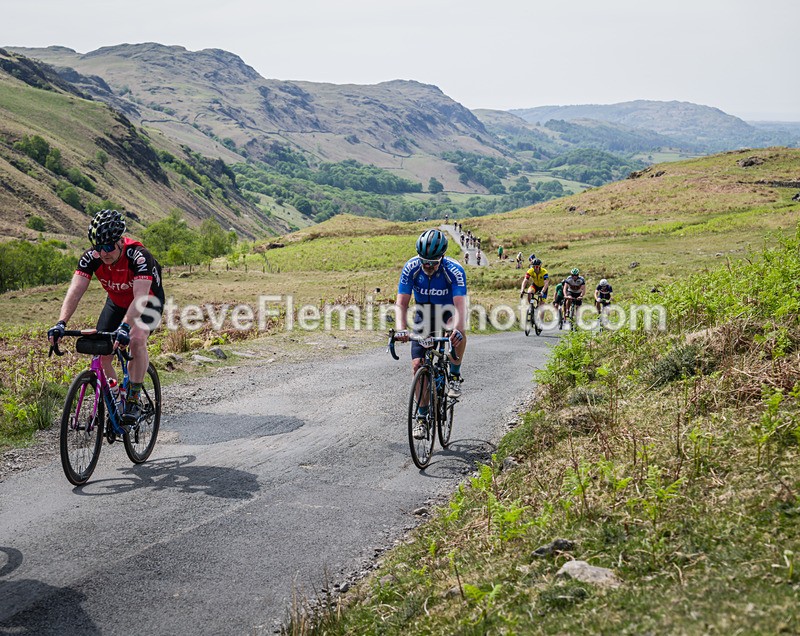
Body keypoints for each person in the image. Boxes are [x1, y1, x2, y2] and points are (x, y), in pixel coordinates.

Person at [47, 209, 165, 425]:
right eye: (98, 247)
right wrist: (60, 323)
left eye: (109, 246)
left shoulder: (138, 256)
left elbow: (140, 298)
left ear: (121, 241)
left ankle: (133, 398)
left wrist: (125, 327)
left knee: (137, 339)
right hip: (117, 302)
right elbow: (75, 290)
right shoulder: (92, 257)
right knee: (102, 356)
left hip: (147, 302)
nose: (104, 252)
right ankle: (116, 397)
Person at [394, 229, 467, 439]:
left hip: (448, 312)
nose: (427, 266)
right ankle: (422, 418)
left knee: (458, 330)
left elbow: (460, 306)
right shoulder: (412, 267)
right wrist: (401, 329)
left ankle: (454, 374)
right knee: (418, 365)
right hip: (424, 315)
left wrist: (456, 329)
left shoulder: (454, 270)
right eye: (424, 261)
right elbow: (402, 302)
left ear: (442, 257)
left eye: (433, 263)